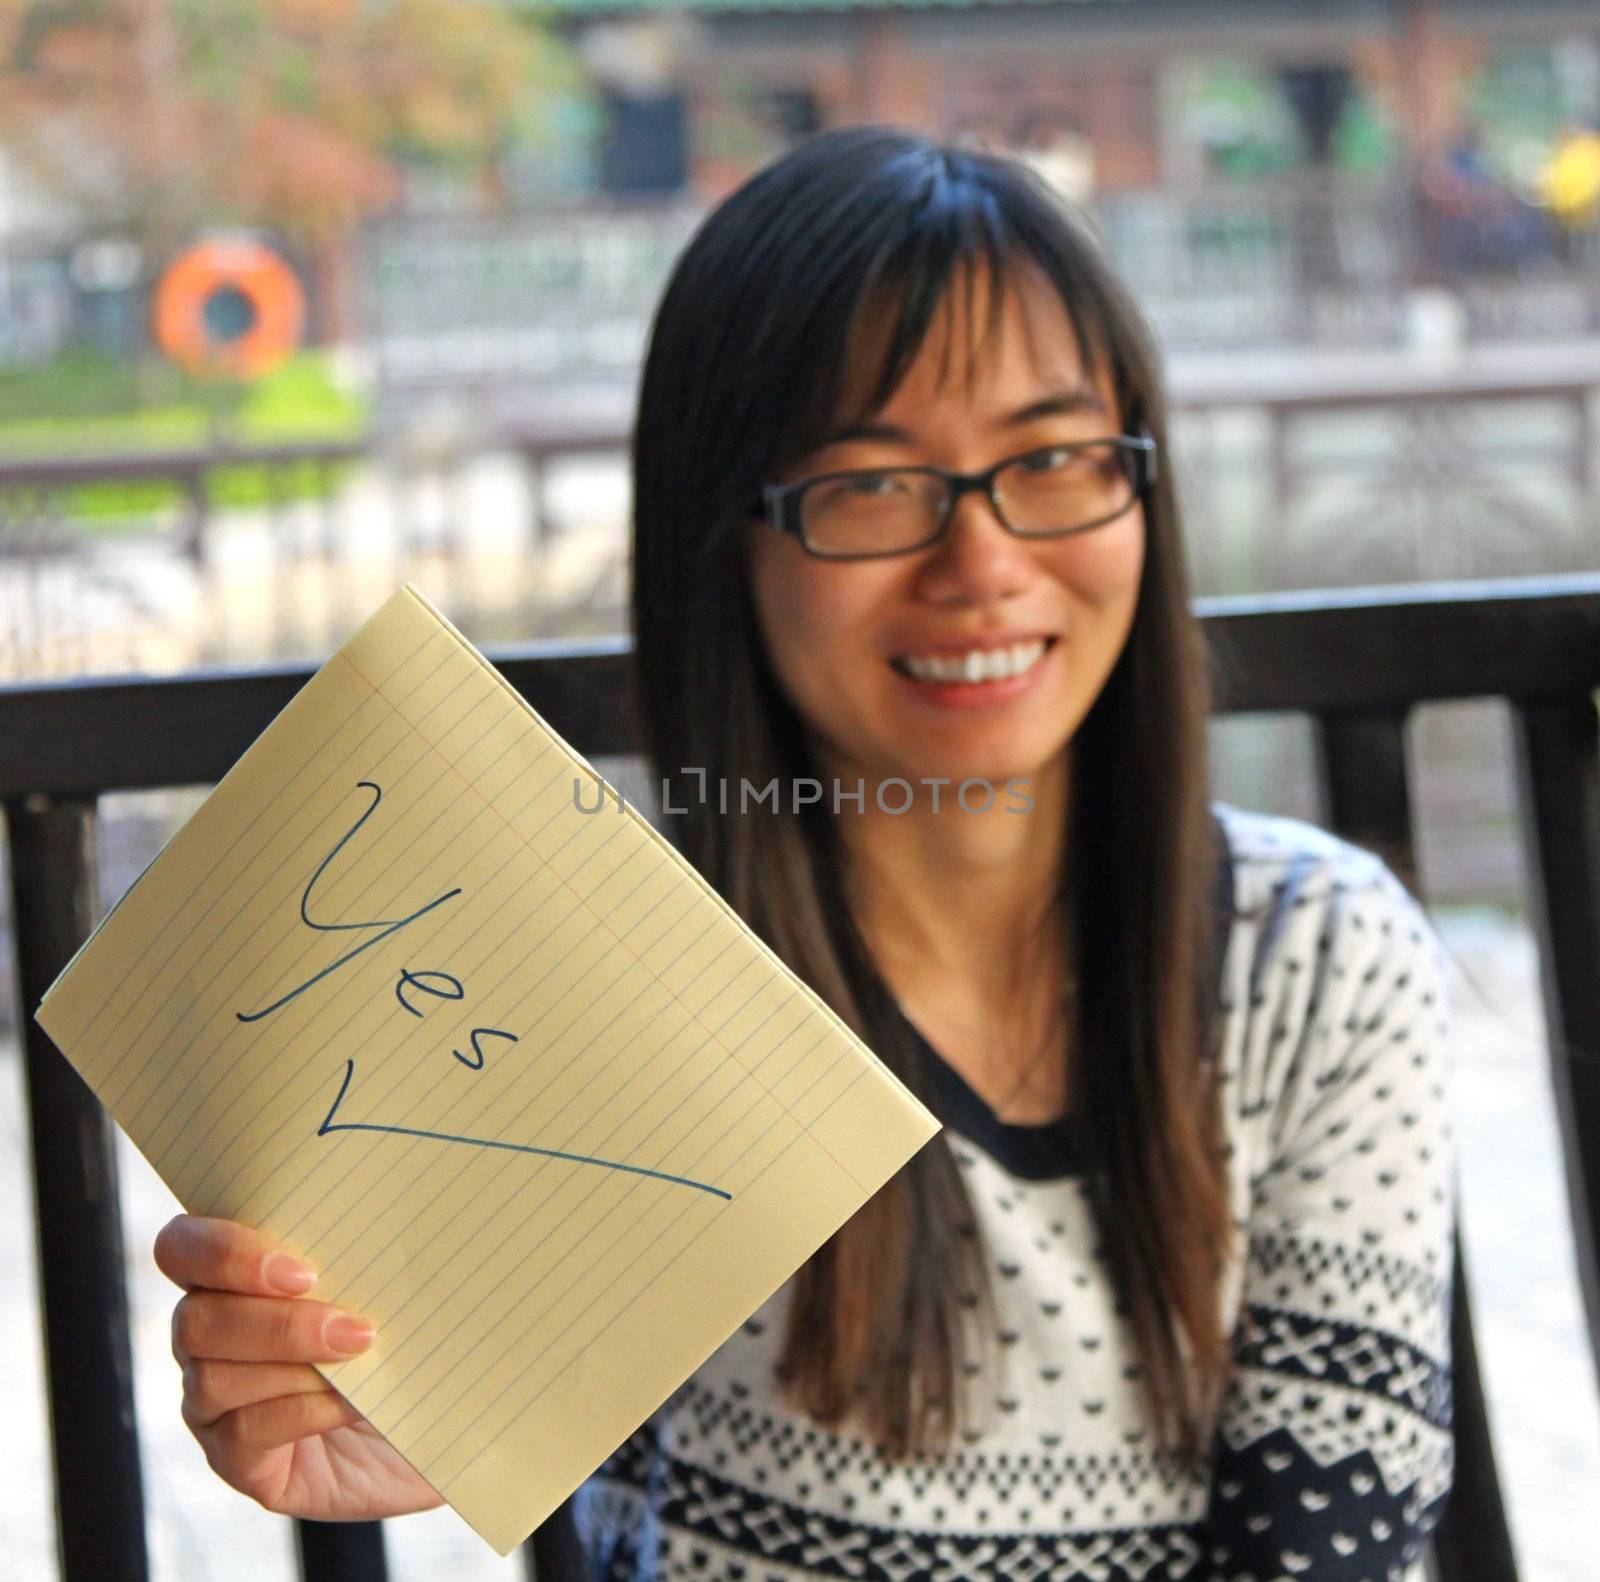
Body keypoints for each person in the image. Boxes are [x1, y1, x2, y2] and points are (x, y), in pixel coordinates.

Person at [155, 127, 1455, 1579]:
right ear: (729, 538)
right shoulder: (593, 985)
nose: (983, 564)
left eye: (1057, 457)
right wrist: (408, 1394)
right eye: (873, 485)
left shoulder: (1318, 959)